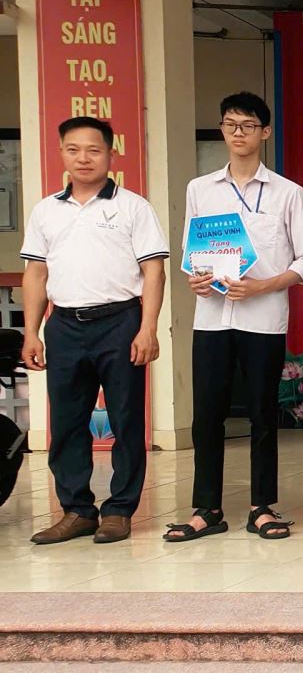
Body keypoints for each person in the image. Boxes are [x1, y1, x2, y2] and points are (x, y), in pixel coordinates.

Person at [165, 92, 303, 543]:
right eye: (230, 124)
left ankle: (262, 507)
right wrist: (195, 278)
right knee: (206, 414)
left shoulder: (288, 192)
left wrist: (263, 285)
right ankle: (206, 509)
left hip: (263, 319)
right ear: (222, 129)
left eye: (248, 125)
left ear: (264, 132)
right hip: (212, 318)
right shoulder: (200, 189)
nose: (238, 132)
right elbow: (192, 253)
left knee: (262, 414)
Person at [22, 117, 168, 545]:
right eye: (73, 149)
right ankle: (76, 511)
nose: (83, 158)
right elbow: (36, 273)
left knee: (126, 418)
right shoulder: (46, 210)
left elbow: (153, 271)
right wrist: (32, 332)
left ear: (110, 154)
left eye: (93, 150)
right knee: (67, 422)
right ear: (61, 153)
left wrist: (148, 327)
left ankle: (119, 510)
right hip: (64, 325)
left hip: (120, 323)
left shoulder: (133, 207)